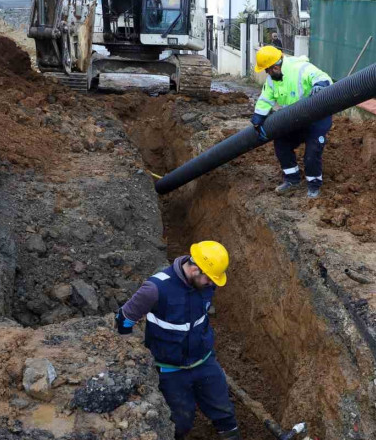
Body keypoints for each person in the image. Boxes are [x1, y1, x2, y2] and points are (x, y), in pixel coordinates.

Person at [115, 241, 239, 440]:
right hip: (170, 369)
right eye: (209, 278)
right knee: (180, 422)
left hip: (203, 360)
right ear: (194, 268)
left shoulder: (206, 283)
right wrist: (129, 353)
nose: (211, 284)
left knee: (224, 412)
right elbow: (124, 318)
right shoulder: (156, 288)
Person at [250, 45, 333, 198]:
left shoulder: (300, 68)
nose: (266, 73)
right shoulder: (272, 80)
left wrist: (320, 86)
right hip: (295, 119)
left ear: (275, 67)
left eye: (267, 70)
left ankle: (314, 185)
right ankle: (292, 180)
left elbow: (322, 77)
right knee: (281, 143)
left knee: (312, 152)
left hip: (316, 118)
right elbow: (265, 99)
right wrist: (258, 119)